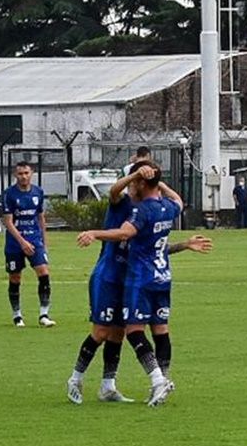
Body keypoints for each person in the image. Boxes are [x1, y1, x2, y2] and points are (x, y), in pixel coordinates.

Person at [69, 163, 211, 404]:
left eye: (136, 181)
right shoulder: (122, 204)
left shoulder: (147, 209)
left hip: (133, 277)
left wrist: (183, 245)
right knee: (102, 332)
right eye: (131, 180)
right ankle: (75, 379)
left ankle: (108, 385)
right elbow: (115, 192)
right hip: (109, 276)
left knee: (119, 333)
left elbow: (152, 246)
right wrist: (138, 176)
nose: (132, 186)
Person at [1, 161, 53, 328]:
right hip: (15, 243)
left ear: (32, 173)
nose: (23, 176)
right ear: (16, 175)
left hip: (35, 240)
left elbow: (40, 218)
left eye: (26, 173)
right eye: (20, 174)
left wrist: (44, 243)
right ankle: (17, 316)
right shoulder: (9, 194)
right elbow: (8, 222)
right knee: (15, 277)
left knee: (44, 272)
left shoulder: (38, 192)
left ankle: (44, 314)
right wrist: (22, 242)